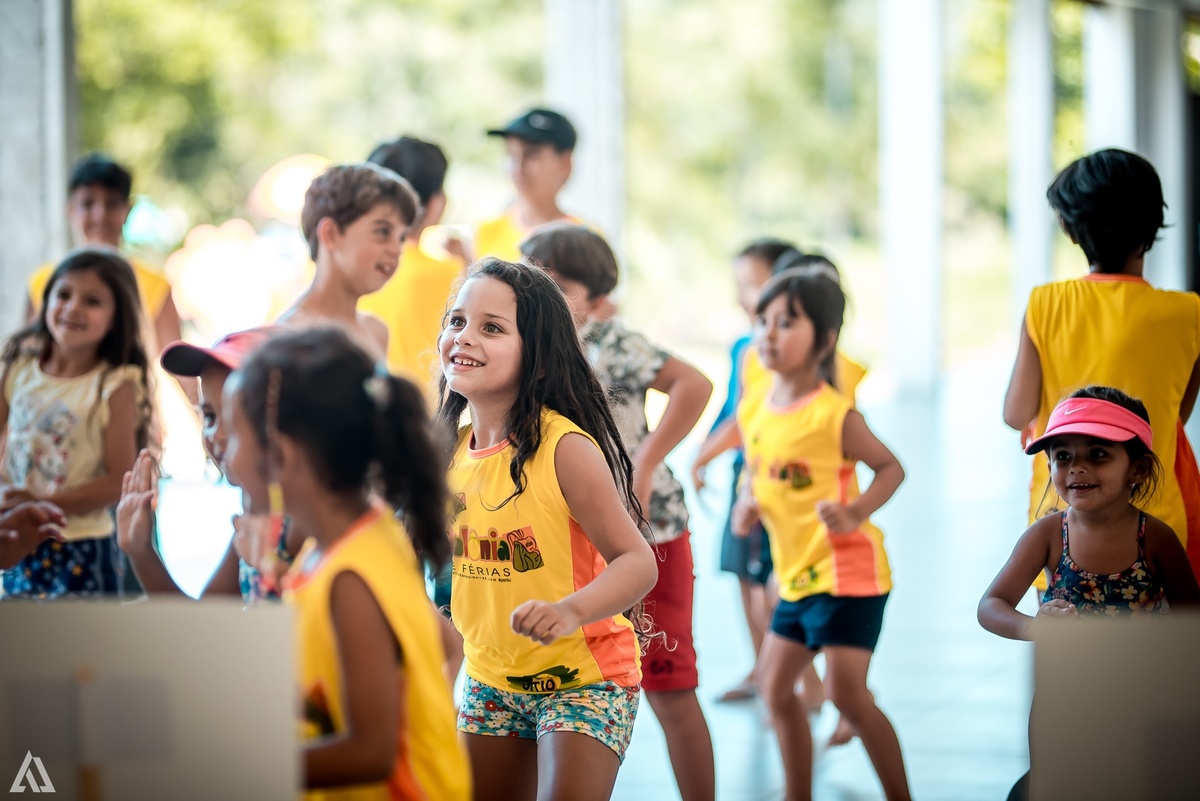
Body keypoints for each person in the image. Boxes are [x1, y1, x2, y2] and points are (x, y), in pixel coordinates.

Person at [438, 258, 657, 801]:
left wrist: (570, 611)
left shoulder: (565, 449)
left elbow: (639, 562)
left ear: (536, 360)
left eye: (492, 327)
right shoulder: (445, 453)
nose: (464, 337)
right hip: (491, 680)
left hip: (584, 680)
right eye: (457, 321)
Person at [223, 327, 470, 800]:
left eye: (235, 435)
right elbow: (441, 644)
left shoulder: (349, 577)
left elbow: (369, 753)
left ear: (280, 456)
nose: (225, 454)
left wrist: (241, 765)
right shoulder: (358, 537)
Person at [521, 223, 716, 801]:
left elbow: (694, 384)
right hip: (571, 542)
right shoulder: (526, 347)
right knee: (557, 683)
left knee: (669, 684)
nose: (536, 291)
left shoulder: (610, 340)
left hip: (648, 533)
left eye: (552, 281)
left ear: (596, 296)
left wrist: (646, 460)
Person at [734, 268, 910, 801]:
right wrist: (748, 504)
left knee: (847, 697)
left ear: (825, 339)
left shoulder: (833, 414)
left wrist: (856, 511)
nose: (769, 333)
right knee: (773, 686)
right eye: (764, 320)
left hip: (847, 576)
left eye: (787, 322)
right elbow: (758, 471)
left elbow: (890, 468)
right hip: (797, 578)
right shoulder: (755, 407)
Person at [979, 387, 1200, 801]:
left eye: (1098, 454)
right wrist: (1035, 628)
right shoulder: (1047, 535)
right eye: (1063, 456)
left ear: (1136, 468)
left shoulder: (1154, 538)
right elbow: (991, 605)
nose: (1076, 468)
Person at [1004, 149, 1200, 579]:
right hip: (1156, 523)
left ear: (1071, 229)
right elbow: (1172, 416)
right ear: (1152, 223)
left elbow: (1016, 413)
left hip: (1064, 522)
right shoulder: (1190, 314)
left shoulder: (1045, 304)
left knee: (1072, 642)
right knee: (1155, 646)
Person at [0, 247, 152, 599]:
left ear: (116, 318)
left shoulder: (115, 384)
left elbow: (118, 482)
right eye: (63, 294)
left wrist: (37, 502)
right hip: (14, 543)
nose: (72, 308)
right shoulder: (20, 369)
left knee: (81, 651)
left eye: (92, 301)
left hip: (81, 546)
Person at [116, 328, 302, 602]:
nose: (217, 434)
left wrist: (274, 572)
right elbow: (206, 620)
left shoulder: (304, 517)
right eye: (210, 416)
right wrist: (141, 551)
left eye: (236, 415)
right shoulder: (256, 509)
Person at [692, 237, 791, 703]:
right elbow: (729, 409)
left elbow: (745, 418)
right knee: (741, 574)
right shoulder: (741, 347)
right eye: (740, 285)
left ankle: (793, 679)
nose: (742, 296)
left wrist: (703, 455)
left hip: (770, 478)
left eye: (752, 285)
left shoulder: (779, 350)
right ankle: (761, 669)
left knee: (771, 582)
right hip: (741, 473)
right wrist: (706, 452)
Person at [25, 154, 194, 404]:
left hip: (129, 418)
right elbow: (26, 360)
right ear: (70, 209)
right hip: (58, 419)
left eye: (112, 203)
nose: (100, 215)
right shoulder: (43, 283)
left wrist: (207, 412)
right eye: (88, 203)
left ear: (128, 210)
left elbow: (177, 366)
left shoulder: (154, 285)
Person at [278, 163, 420, 363]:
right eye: (382, 231)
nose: (397, 249)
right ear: (331, 234)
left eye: (402, 238)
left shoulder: (376, 331)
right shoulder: (290, 336)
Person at [358, 136, 466, 393]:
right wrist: (467, 263)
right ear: (434, 202)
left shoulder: (346, 263)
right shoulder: (448, 273)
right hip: (421, 418)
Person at [475, 108, 580, 262]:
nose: (518, 168)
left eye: (531, 154)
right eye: (510, 154)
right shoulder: (486, 233)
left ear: (564, 162)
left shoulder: (583, 240)